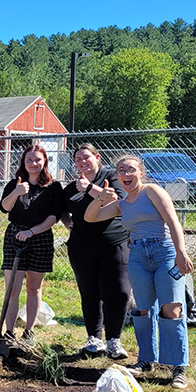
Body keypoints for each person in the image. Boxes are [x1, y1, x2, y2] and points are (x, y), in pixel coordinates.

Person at [85, 155, 193, 389]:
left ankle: (177, 367)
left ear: (140, 173)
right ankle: (146, 360)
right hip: (137, 256)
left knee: (171, 308)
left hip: (165, 253)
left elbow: (173, 221)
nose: (126, 174)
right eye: (121, 171)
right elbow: (90, 217)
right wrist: (100, 199)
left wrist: (180, 252)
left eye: (131, 170)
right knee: (143, 310)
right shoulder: (121, 204)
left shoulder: (152, 191)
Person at [62, 143, 130, 358]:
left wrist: (90, 188)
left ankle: (114, 341)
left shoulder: (111, 176)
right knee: (89, 293)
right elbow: (60, 209)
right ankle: (94, 339)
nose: (82, 162)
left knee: (118, 292)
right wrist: (66, 222)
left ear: (97, 157)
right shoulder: (72, 187)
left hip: (113, 245)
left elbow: (118, 202)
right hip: (82, 248)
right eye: (78, 159)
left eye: (86, 157)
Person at [0, 145, 63, 342]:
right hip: (15, 236)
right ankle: (9, 331)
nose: (33, 163)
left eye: (37, 160)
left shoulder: (53, 187)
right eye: (29, 160)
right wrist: (17, 192)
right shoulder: (14, 183)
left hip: (40, 236)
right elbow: (4, 208)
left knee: (34, 287)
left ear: (44, 162)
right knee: (12, 288)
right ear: (23, 162)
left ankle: (29, 331)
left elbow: (54, 217)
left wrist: (31, 232)